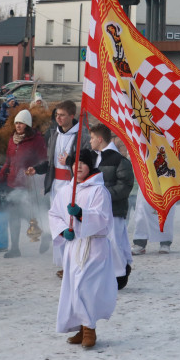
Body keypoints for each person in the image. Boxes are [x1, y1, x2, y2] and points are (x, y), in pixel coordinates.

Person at [50, 149, 117, 348]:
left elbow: (103, 218)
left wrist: (81, 214)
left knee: (86, 287)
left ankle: (90, 329)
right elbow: (54, 214)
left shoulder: (99, 190)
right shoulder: (65, 191)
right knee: (73, 288)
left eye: (83, 162)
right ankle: (81, 327)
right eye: (74, 163)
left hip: (94, 246)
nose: (77, 166)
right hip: (74, 246)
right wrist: (63, 230)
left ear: (90, 165)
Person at [29, 100, 89, 276]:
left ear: (72, 116)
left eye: (62, 115)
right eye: (57, 115)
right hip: (56, 186)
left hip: (73, 186)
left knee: (73, 223)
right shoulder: (54, 134)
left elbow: (88, 161)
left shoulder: (82, 136)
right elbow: (51, 162)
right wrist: (38, 169)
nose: (58, 118)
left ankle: (75, 261)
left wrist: (70, 161)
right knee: (58, 224)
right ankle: (64, 263)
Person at [0, 109, 48, 258]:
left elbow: (44, 160)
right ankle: (15, 248)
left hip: (29, 182)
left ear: (27, 125)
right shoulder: (13, 139)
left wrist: (36, 172)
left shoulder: (36, 139)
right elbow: (8, 161)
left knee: (31, 213)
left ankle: (45, 234)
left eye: (21, 123)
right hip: (13, 182)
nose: (18, 125)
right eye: (17, 122)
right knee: (13, 215)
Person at [89, 124, 134, 289]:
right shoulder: (94, 158)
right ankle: (106, 273)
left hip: (114, 210)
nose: (90, 141)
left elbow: (125, 185)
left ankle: (119, 275)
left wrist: (104, 195)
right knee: (102, 243)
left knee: (115, 242)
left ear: (100, 139)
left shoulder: (120, 160)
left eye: (92, 138)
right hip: (97, 210)